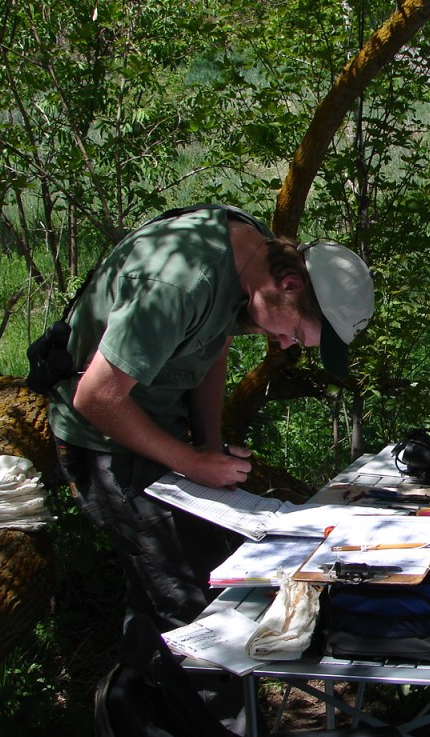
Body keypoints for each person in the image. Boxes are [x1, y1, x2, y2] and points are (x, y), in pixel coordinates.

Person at [48, 205, 375, 634]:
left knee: (162, 598)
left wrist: (207, 443)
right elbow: (95, 397)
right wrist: (194, 463)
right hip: (105, 436)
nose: (282, 344)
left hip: (160, 425)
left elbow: (211, 343)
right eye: (292, 333)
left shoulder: (257, 256)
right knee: (194, 611)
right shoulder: (177, 282)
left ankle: (135, 696)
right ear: (290, 284)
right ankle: (206, 698)